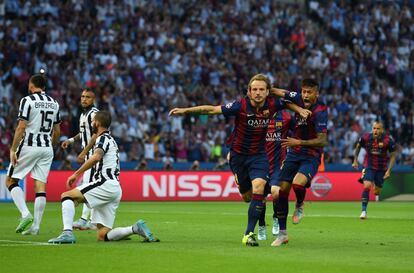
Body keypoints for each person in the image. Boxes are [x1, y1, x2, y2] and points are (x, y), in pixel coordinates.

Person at [170, 74, 309, 246]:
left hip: (259, 155)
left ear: (268, 92)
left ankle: (248, 234)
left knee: (259, 188)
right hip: (238, 157)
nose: (258, 93)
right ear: (249, 92)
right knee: (247, 197)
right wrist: (185, 111)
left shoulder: (273, 104)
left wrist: (300, 110)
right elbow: (212, 110)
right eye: (254, 89)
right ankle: (251, 211)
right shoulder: (240, 106)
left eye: (261, 89)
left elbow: (291, 100)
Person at [48, 111, 159, 244]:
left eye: (93, 121)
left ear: (98, 123)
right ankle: (135, 228)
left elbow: (96, 157)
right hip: (114, 188)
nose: (91, 124)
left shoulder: (103, 139)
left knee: (66, 196)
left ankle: (67, 233)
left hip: (104, 183)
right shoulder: (111, 140)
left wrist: (76, 173)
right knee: (102, 235)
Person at [270, 78, 328, 247]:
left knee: (297, 184)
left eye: (309, 92)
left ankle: (300, 203)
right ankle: (282, 234)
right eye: (304, 92)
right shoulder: (297, 98)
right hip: (293, 154)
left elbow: (323, 141)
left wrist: (299, 142)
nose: (306, 95)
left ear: (316, 93)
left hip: (311, 154)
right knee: (282, 192)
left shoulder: (321, 111)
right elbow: (276, 92)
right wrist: (259, 88)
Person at [5, 73, 61, 235]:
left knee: (10, 180)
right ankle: (35, 227)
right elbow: (56, 131)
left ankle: (25, 214)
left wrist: (13, 149)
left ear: (31, 85)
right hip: (46, 148)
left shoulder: (27, 101)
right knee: (40, 186)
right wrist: (50, 145)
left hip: (29, 145)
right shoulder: (54, 103)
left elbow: (21, 127)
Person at [61, 87, 98, 230]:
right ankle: (88, 220)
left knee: (88, 187)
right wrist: (70, 140)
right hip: (90, 156)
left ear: (93, 99)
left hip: (95, 156)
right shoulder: (83, 115)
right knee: (88, 187)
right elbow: (83, 133)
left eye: (87, 97)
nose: (84, 99)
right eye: (82, 96)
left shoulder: (94, 114)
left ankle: (90, 221)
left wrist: (84, 152)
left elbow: (95, 135)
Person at [257, 110, 294, 241]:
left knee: (276, 193)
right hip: (261, 164)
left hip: (279, 165)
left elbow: (298, 132)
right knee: (260, 197)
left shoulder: (285, 118)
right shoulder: (257, 118)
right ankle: (261, 226)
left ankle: (276, 217)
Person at [352, 121, 398, 219]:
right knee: (367, 186)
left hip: (381, 169)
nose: (375, 130)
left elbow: (393, 155)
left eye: (378, 128)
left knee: (377, 192)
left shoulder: (388, 140)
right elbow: (358, 146)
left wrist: (389, 170)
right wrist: (355, 160)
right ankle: (363, 211)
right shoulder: (366, 137)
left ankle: (375, 183)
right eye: (374, 128)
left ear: (382, 130)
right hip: (369, 166)